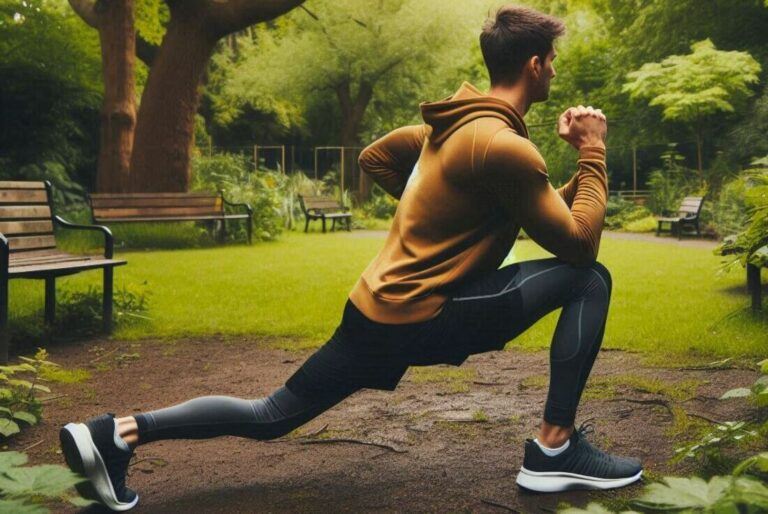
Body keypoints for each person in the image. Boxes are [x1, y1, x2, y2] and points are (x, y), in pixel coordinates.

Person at [59, 5, 642, 511]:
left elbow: (377, 158)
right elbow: (577, 244)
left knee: (273, 414)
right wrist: (592, 152)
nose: (555, 72)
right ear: (536, 66)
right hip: (427, 315)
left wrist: (440, 220)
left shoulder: (452, 130)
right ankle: (554, 448)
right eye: (553, 62)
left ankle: (114, 434)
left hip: (376, 311)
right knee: (589, 280)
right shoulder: (502, 145)